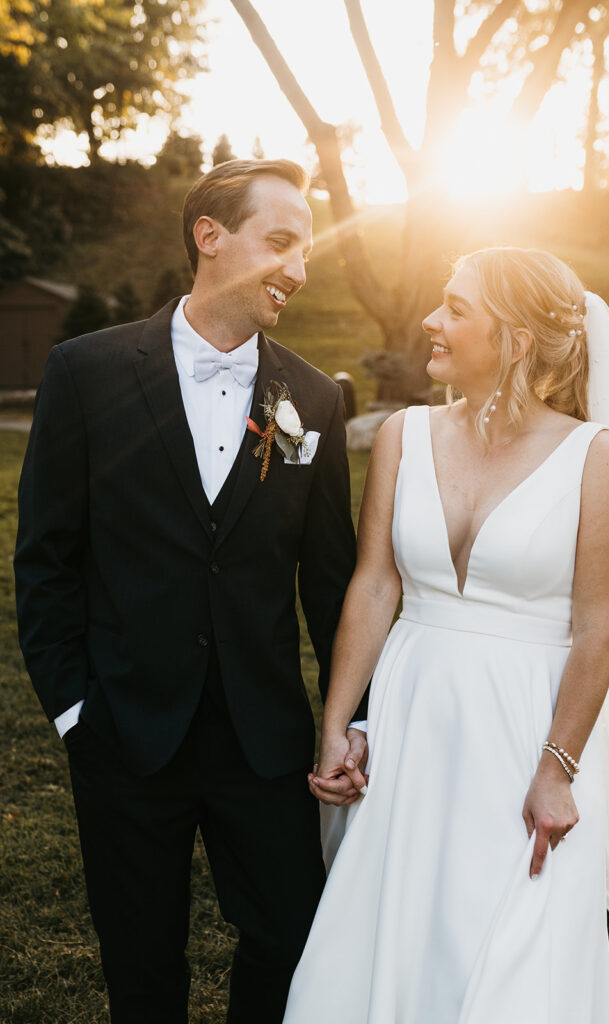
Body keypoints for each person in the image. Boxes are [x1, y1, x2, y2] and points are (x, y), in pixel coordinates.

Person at [282, 246, 609, 1022]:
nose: (431, 321)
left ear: (516, 339)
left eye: (456, 309)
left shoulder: (592, 460)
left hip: (526, 736)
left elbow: (599, 628)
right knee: (383, 942)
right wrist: (338, 724)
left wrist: (556, 770)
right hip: (412, 723)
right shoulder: (403, 433)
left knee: (510, 962)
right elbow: (374, 584)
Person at [14, 158, 368, 1024]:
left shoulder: (314, 401)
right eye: (279, 242)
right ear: (209, 236)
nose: (297, 267)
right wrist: (73, 712)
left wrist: (353, 720)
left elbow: (331, 583)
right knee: (141, 965)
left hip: (265, 741)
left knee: (290, 939)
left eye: (305, 250)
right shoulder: (84, 372)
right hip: (125, 735)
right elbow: (46, 560)